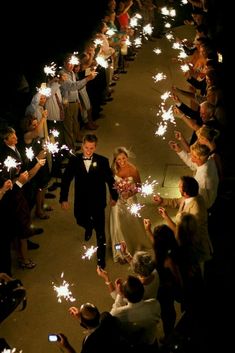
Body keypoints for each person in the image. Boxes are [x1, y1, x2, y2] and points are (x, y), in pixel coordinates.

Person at [60, 134, 118, 269]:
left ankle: (100, 259)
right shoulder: (74, 160)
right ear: (82, 146)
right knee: (79, 218)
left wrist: (114, 196)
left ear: (95, 147)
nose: (88, 150)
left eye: (91, 148)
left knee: (101, 232)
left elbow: (110, 180)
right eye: (86, 147)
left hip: (98, 201)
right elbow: (66, 179)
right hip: (81, 200)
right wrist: (64, 198)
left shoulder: (103, 161)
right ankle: (88, 226)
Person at [109, 146, 152, 263]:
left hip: (130, 201)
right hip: (118, 202)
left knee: (131, 224)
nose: (122, 162)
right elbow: (111, 185)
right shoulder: (113, 170)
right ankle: (119, 251)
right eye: (119, 159)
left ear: (127, 157)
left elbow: (139, 187)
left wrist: (129, 193)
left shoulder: (133, 170)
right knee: (118, 226)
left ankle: (132, 247)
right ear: (115, 160)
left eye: (124, 158)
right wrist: (113, 197)